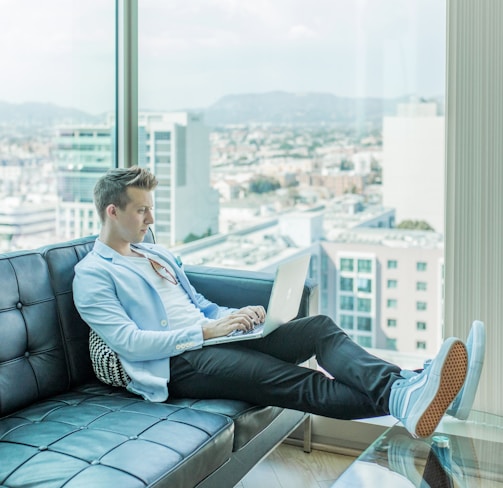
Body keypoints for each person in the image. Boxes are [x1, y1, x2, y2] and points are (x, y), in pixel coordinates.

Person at [73, 167, 483, 440]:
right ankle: (416, 391)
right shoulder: (93, 274)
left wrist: (231, 318)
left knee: (319, 328)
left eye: (151, 209)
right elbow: (129, 342)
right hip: (178, 363)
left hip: (214, 339)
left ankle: (410, 391)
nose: (150, 219)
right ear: (113, 211)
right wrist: (203, 331)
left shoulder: (155, 253)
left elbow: (195, 301)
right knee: (295, 380)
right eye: (142, 210)